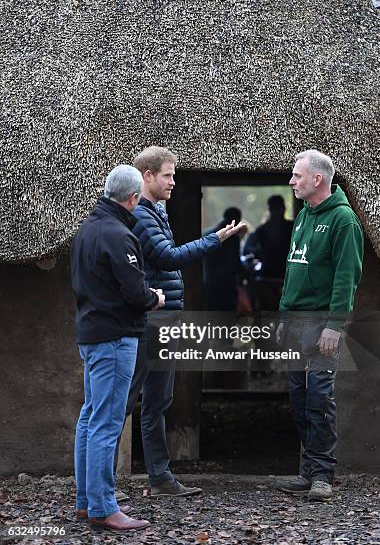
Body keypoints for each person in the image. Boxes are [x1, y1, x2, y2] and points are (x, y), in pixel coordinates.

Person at [115, 146, 245, 497]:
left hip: (165, 318)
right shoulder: (141, 216)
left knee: (159, 400)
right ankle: (105, 483)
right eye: (169, 175)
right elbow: (167, 257)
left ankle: (160, 478)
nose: (174, 181)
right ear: (148, 176)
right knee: (126, 400)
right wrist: (215, 239)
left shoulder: (155, 212)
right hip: (149, 320)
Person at [70, 165, 165, 532]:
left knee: (90, 418)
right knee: (107, 423)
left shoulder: (86, 229)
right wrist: (154, 297)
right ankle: (103, 507)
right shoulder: (118, 235)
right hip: (114, 339)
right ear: (132, 198)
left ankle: (86, 501)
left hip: (91, 335)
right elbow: (135, 293)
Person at [275, 150, 363, 501]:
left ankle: (322, 475)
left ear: (317, 180)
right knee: (298, 398)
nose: (292, 181)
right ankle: (308, 471)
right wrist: (283, 317)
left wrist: (334, 326)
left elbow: (347, 278)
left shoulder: (344, 220)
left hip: (322, 326)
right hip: (295, 323)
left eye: (297, 176)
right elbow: (292, 268)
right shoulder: (302, 217)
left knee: (319, 397)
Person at [203, 207, 242, 311]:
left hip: (210, 282)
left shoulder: (208, 234)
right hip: (226, 285)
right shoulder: (233, 238)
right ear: (236, 219)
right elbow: (235, 263)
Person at [255, 195, 293, 279]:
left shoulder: (261, 230)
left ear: (269, 209)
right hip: (287, 270)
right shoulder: (292, 227)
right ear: (284, 208)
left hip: (268, 271)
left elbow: (258, 252)